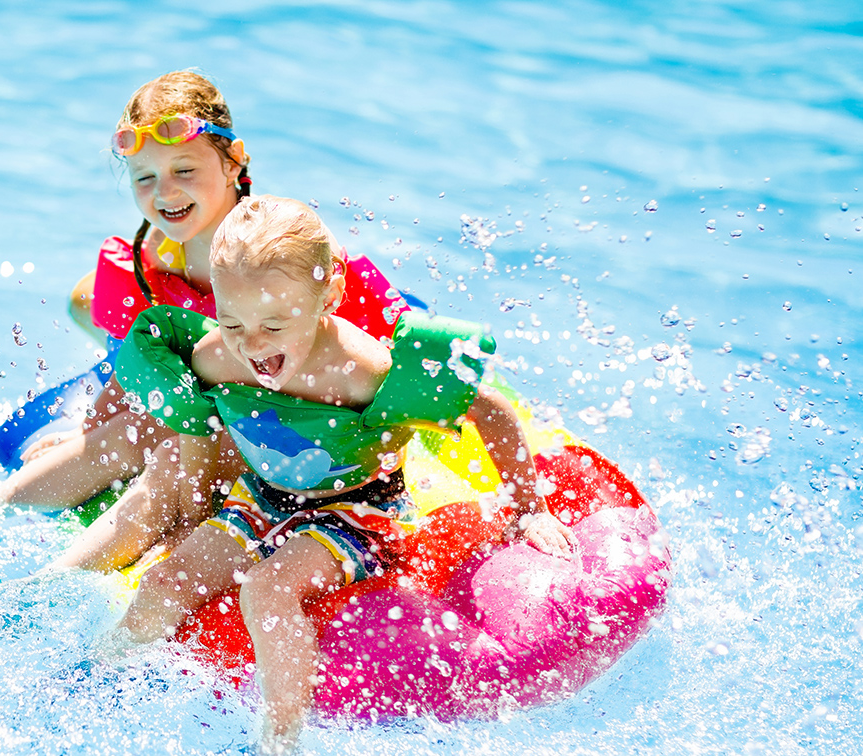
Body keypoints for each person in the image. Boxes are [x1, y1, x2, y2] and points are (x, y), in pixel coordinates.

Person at [111, 196, 576, 754]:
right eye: (232, 320)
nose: (252, 345)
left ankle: (279, 740)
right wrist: (195, 510)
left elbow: (490, 410)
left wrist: (528, 510)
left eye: (273, 324)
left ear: (328, 296)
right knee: (165, 582)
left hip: (357, 510)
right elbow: (205, 428)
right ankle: (99, 684)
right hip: (259, 498)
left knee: (268, 589)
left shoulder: (362, 370)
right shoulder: (216, 356)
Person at [0, 71, 410, 571]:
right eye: (144, 177)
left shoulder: (284, 254)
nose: (165, 192)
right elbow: (140, 364)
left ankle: (69, 575)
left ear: (233, 161)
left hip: (281, 422)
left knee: (165, 453)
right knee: (126, 429)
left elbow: (390, 342)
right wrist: (87, 429)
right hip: (206, 406)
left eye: (184, 170)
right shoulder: (153, 262)